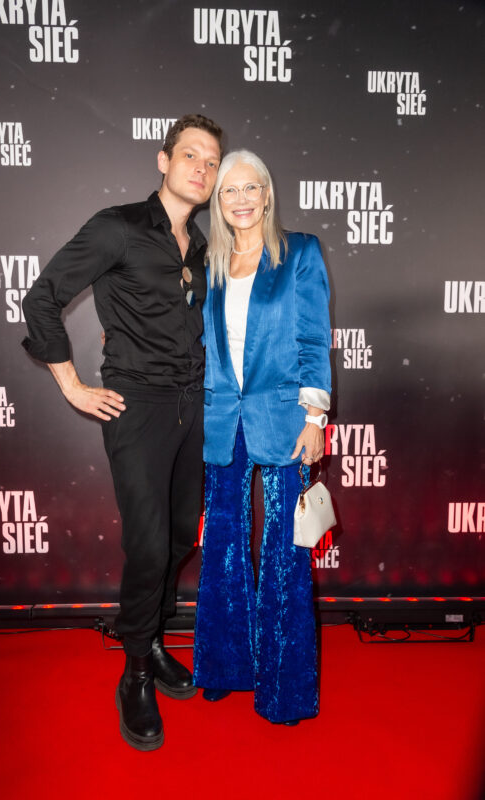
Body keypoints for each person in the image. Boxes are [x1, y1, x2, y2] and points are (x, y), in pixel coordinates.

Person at [21, 114, 223, 751]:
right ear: (163, 160)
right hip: (137, 406)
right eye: (189, 155)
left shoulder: (203, 244)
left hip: (194, 405)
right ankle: (135, 670)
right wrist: (72, 386)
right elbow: (42, 297)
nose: (201, 168)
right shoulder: (118, 226)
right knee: (148, 543)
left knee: (179, 537)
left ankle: (153, 641)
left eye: (212, 161)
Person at [192, 150, 331, 725]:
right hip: (222, 418)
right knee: (223, 544)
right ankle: (226, 667)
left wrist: (315, 418)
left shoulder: (300, 252)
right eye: (229, 190)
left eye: (251, 188)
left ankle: (284, 688)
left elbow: (313, 337)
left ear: (267, 194)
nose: (241, 199)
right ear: (218, 202)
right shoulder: (208, 262)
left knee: (283, 550)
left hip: (282, 418)